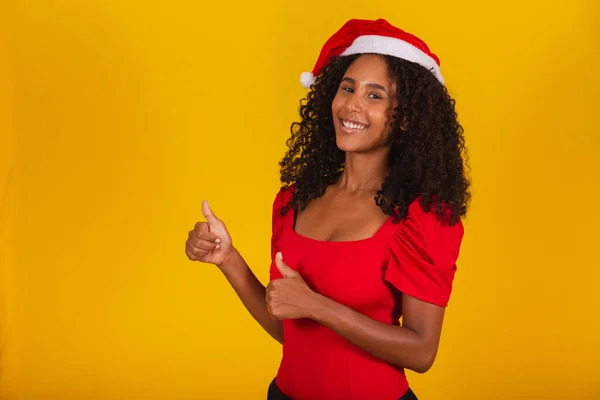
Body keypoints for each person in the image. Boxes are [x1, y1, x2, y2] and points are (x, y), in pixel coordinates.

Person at [185, 18, 471, 400]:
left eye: (375, 95)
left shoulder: (421, 217)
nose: (351, 104)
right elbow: (288, 328)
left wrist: (319, 306)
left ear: (404, 118)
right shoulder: (295, 200)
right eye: (347, 88)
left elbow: (421, 351)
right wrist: (228, 259)